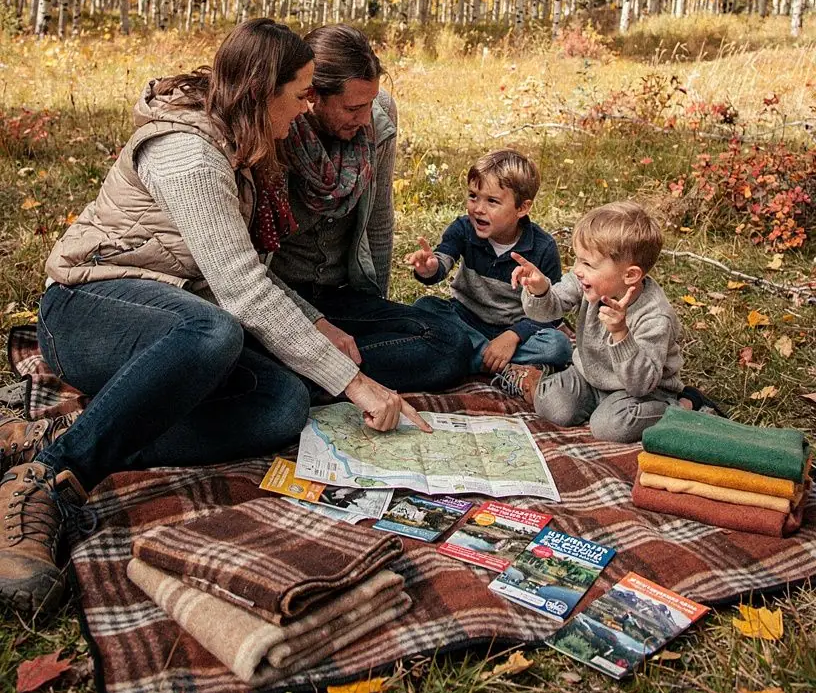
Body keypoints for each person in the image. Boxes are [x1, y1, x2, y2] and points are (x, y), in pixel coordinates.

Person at [0, 19, 430, 616]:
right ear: (262, 91)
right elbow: (240, 289)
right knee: (213, 332)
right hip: (88, 306)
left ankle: (64, 433)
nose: (308, 107)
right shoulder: (190, 153)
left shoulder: (246, 146)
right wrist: (353, 382)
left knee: (282, 404)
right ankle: (49, 478)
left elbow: (247, 267)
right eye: (302, 92)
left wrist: (313, 323)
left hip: (177, 315)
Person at [267, 24, 473, 393]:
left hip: (338, 294)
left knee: (449, 345)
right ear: (312, 96)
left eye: (371, 103)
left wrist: (374, 303)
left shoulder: (378, 116)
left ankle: (302, 375)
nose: (365, 118)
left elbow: (378, 217)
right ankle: (306, 373)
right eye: (353, 107)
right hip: (279, 299)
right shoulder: (277, 127)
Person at [495, 201, 683, 443]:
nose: (577, 270)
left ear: (630, 275)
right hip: (590, 376)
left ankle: (676, 409)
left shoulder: (655, 316)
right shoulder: (586, 281)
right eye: (577, 260)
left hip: (643, 393)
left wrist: (620, 334)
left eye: (588, 264)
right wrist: (540, 290)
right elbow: (547, 311)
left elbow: (641, 385)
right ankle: (585, 399)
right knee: (552, 406)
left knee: (610, 428)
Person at [405, 149, 571, 376]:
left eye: (492, 201)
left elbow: (552, 311)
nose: (478, 208)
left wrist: (513, 336)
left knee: (558, 346)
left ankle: (467, 357)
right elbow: (442, 259)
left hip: (516, 329)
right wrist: (430, 268)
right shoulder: (464, 228)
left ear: (522, 208)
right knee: (424, 307)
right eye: (473, 196)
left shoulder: (543, 247)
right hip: (465, 317)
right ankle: (499, 364)